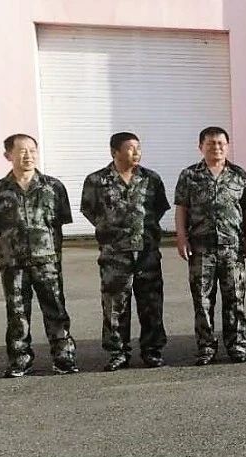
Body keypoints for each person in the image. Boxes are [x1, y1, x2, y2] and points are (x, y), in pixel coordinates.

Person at [0, 134, 77, 377]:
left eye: (33, 150)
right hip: (12, 262)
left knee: (55, 309)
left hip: (47, 260)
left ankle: (63, 358)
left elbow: (59, 221)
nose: (29, 156)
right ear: (8, 155)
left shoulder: (53, 187)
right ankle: (20, 360)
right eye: (22, 151)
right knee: (17, 312)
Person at [81, 132, 170, 370]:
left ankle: (152, 351)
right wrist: (113, 232)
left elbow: (159, 209)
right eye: (130, 148)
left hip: (146, 254)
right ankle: (118, 353)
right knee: (114, 306)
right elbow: (90, 211)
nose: (136, 152)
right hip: (114, 255)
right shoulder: (96, 180)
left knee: (151, 304)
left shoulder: (151, 179)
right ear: (115, 152)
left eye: (138, 148)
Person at [174, 126, 246, 365]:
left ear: (228, 146)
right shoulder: (189, 175)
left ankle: (237, 345)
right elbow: (182, 208)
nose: (217, 147)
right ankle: (206, 347)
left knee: (235, 299)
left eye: (221, 143)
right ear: (200, 146)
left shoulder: (239, 174)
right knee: (202, 300)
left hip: (232, 247)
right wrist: (181, 237)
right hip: (201, 248)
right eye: (211, 143)